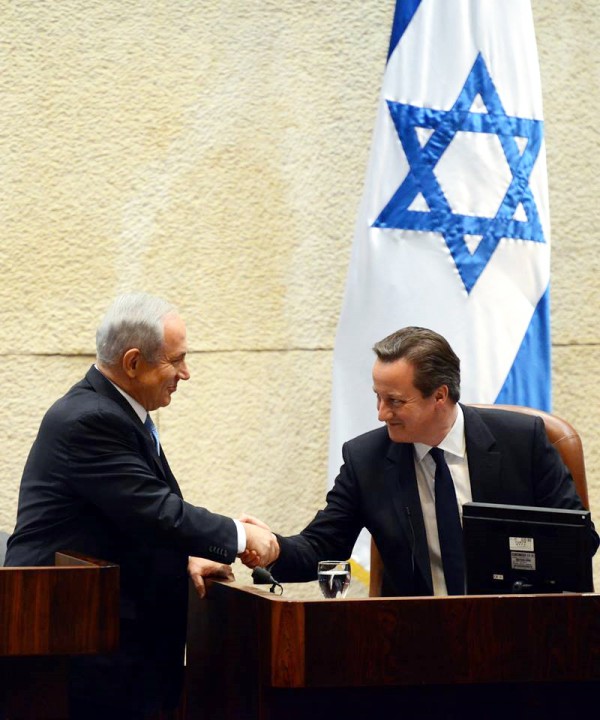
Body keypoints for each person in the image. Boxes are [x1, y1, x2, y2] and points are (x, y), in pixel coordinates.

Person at [4, 293, 279, 720]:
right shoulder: (91, 419)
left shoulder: (111, 410)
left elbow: (126, 520)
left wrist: (184, 555)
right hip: (81, 648)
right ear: (133, 362)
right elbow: (156, 511)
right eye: (177, 360)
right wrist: (241, 536)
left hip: (111, 644)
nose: (185, 374)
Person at [242, 326, 598, 597]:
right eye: (378, 398)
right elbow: (322, 547)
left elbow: (579, 541)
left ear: (439, 396)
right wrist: (268, 546)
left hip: (521, 632)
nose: (382, 414)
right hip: (418, 642)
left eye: (395, 402)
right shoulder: (367, 459)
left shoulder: (522, 441)